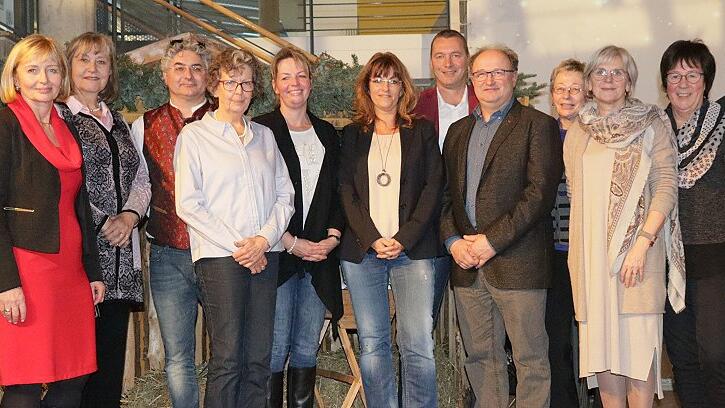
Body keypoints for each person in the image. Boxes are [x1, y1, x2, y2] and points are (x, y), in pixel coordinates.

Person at [564, 45, 685, 408]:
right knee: (603, 358)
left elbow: (666, 184)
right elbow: (574, 190)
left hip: (638, 261)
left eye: (618, 72)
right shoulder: (579, 129)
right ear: (588, 82)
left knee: (636, 357)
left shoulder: (650, 123)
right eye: (600, 72)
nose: (609, 79)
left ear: (630, 81)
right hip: (592, 263)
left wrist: (641, 243)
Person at [440, 44, 562, 408]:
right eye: (481, 73)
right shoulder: (458, 132)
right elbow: (446, 197)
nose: (489, 80)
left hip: (519, 264)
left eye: (498, 72)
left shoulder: (538, 126)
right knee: (480, 359)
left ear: (513, 77)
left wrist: (492, 242)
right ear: (471, 80)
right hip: (466, 266)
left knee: (531, 360)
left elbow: (539, 195)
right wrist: (452, 242)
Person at [174, 47, 294, 408]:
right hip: (220, 259)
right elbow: (189, 204)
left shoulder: (265, 137)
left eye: (246, 83)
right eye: (231, 82)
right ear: (215, 86)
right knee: (228, 359)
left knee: (259, 357)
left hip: (265, 255)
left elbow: (284, 195)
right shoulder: (195, 137)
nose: (239, 91)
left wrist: (264, 240)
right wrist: (242, 247)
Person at [0, 34, 106, 407]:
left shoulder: (67, 127)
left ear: (61, 77)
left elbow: (80, 205)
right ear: (15, 78)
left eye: (51, 69)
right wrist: (6, 283)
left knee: (74, 376)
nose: (43, 79)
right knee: (25, 383)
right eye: (32, 70)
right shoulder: (5, 124)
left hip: (70, 270)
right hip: (26, 269)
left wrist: (92, 271)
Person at [339, 52, 443, 407]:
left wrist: (402, 239)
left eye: (393, 79)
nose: (385, 87)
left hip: (412, 252)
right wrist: (372, 239)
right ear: (367, 86)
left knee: (418, 343)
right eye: (378, 79)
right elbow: (346, 193)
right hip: (363, 252)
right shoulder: (351, 135)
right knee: (373, 343)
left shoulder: (422, 131)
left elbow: (433, 188)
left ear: (403, 87)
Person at [55, 32, 151, 408]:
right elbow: (61, 181)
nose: (93, 68)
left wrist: (129, 216)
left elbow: (141, 177)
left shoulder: (119, 122)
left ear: (111, 71)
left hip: (121, 262)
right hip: (79, 259)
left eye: (102, 61)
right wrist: (101, 221)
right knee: (76, 370)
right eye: (84, 60)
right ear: (69, 66)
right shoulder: (59, 117)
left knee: (109, 365)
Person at [253, 47, 343, 408]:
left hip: (319, 257)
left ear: (310, 83)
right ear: (275, 85)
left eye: (301, 75)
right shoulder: (261, 129)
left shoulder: (327, 132)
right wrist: (290, 242)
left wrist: (332, 238)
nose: (295, 83)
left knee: (307, 348)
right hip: (278, 255)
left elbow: (340, 191)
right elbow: (256, 196)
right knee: (275, 349)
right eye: (286, 76)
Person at [130, 34, 213, 408]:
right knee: (178, 358)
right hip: (167, 254)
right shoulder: (144, 125)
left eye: (197, 68)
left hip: (219, 255)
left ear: (209, 76)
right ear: (165, 75)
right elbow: (138, 186)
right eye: (179, 68)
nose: (188, 76)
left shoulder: (226, 118)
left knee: (231, 352)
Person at [660, 39, 725, 407]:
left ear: (706, 80)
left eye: (692, 74)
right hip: (668, 261)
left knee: (715, 353)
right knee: (682, 357)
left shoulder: (723, 125)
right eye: (674, 75)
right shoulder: (653, 129)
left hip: (716, 258)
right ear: (664, 82)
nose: (683, 84)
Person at [412, 28, 478, 327]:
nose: (448, 63)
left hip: (480, 225)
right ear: (431, 63)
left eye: (455, 55)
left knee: (483, 322)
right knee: (423, 315)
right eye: (440, 56)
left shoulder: (488, 99)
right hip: (430, 223)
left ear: (467, 60)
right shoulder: (414, 108)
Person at [547, 58, 586, 408]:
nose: (568, 95)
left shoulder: (599, 136)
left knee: (595, 341)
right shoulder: (542, 134)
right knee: (555, 341)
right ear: (551, 94)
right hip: (551, 257)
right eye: (561, 89)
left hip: (591, 257)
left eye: (575, 89)